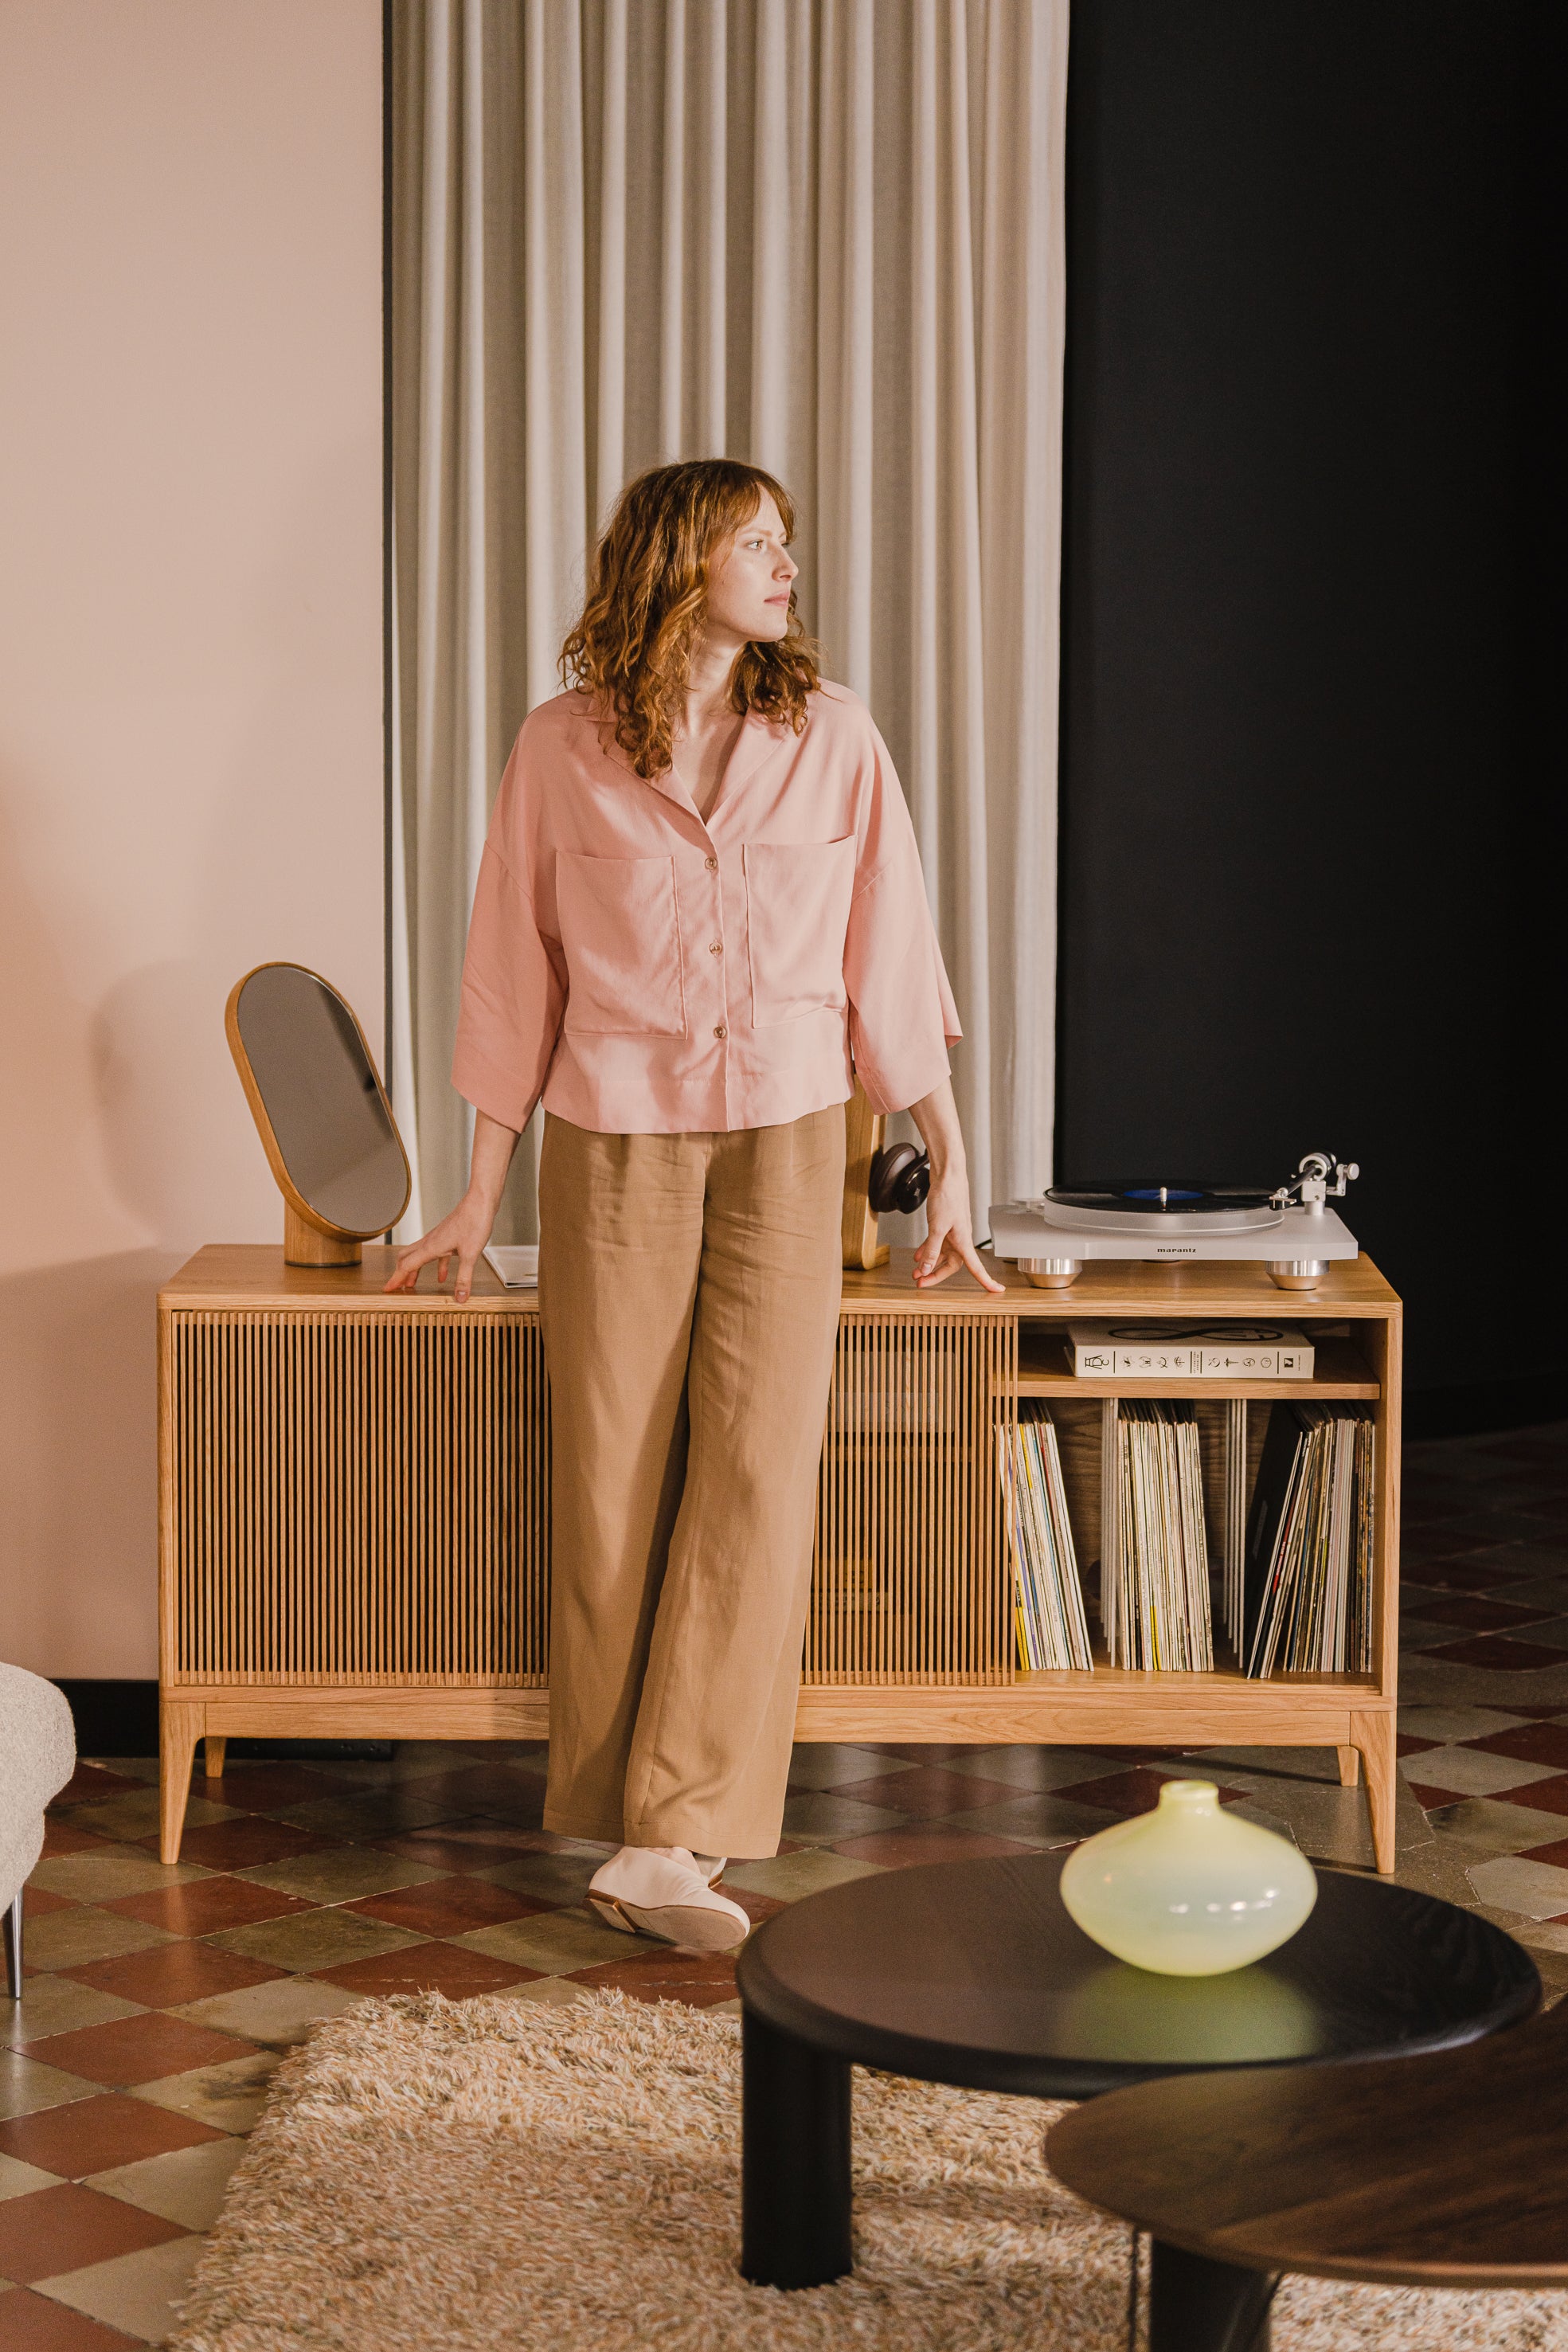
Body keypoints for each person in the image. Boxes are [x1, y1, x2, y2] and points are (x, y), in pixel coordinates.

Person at [387, 457, 999, 1951]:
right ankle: (618, 1807)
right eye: (754, 543)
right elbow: (508, 970)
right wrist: (476, 1195)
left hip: (794, 1138)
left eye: (785, 544)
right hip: (611, 1141)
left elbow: (891, 951)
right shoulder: (560, 750)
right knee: (608, 1470)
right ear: (677, 563)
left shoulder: (833, 736)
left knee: (756, 1468)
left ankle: (679, 1837)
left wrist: (950, 1167)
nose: (783, 567)